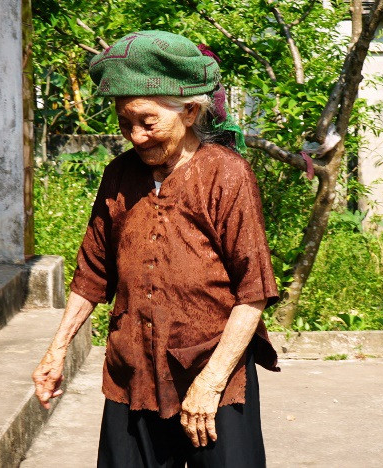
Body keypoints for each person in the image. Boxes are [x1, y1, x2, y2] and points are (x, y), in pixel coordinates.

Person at [32, 30, 280, 467]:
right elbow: (92, 276)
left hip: (211, 373)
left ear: (189, 111)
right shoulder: (119, 175)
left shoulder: (227, 174)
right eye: (125, 123)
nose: (136, 136)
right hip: (134, 373)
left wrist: (210, 383)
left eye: (148, 122)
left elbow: (253, 291)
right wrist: (56, 352)